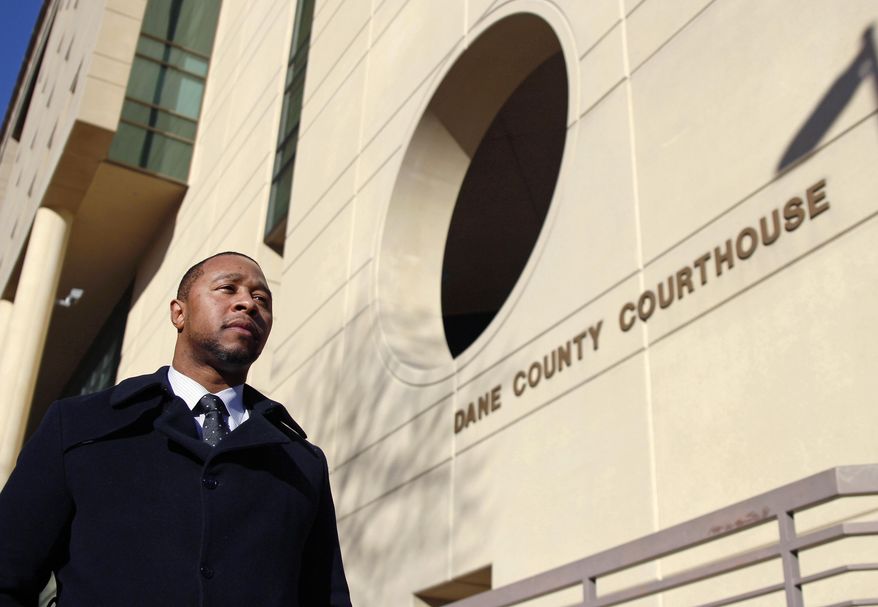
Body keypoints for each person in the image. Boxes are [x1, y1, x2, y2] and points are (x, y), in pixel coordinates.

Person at [0, 252, 352, 606]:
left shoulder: (300, 461)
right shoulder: (80, 425)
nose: (247, 303)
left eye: (262, 299)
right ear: (178, 312)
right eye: (228, 289)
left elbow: (325, 596)